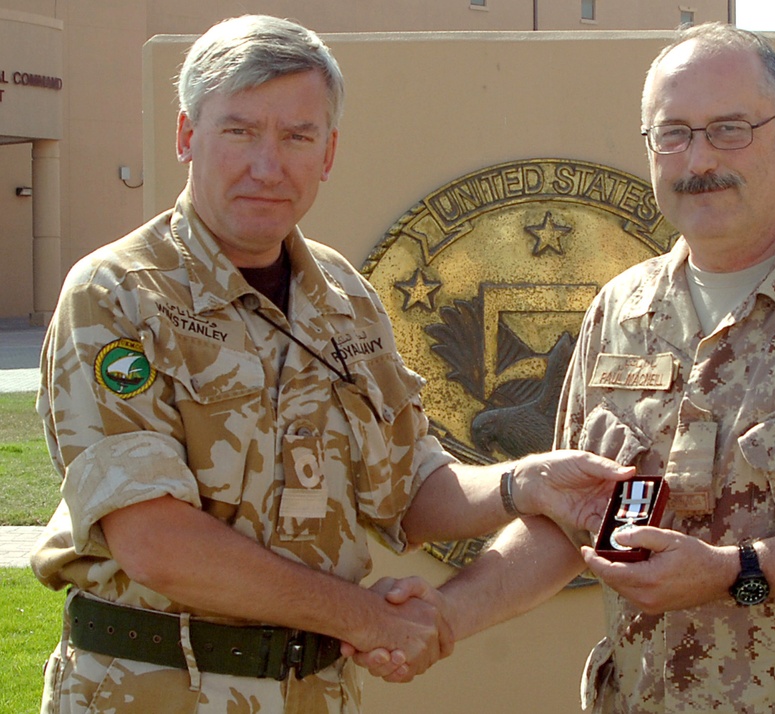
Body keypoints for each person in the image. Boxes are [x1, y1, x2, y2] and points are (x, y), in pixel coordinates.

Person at [363, 22, 775, 712]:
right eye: (674, 133)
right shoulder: (619, 311)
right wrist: (444, 617)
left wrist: (737, 573)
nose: (699, 159)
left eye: (729, 129)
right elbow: (571, 524)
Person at [28, 14, 632, 714]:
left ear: (329, 151)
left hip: (316, 692)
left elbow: (408, 484)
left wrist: (525, 482)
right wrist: (369, 619)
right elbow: (157, 541)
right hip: (153, 690)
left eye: (296, 136)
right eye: (239, 131)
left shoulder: (344, 297)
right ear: (186, 136)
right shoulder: (118, 294)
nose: (267, 164)